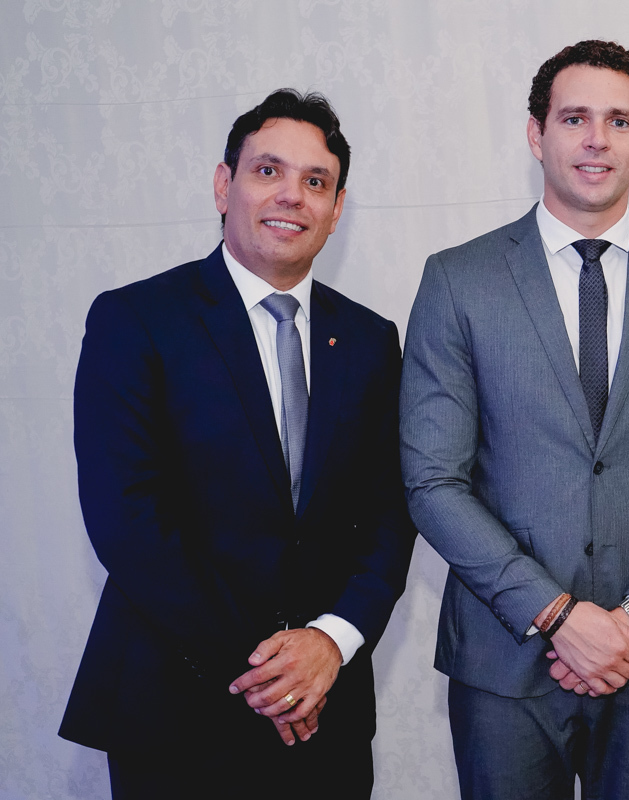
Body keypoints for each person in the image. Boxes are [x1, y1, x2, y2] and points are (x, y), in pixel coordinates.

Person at [399, 40, 629, 800]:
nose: (597, 139)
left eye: (619, 121)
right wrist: (558, 616)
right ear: (537, 134)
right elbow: (432, 481)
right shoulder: (457, 280)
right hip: (503, 662)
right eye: (574, 119)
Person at [59, 89, 415, 799]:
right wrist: (269, 672)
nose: (292, 195)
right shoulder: (137, 319)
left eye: (316, 181)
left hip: (327, 709)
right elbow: (127, 519)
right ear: (224, 186)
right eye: (268, 171)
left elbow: (391, 512)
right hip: (177, 708)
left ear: (337, 207)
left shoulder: (371, 341)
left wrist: (331, 641)